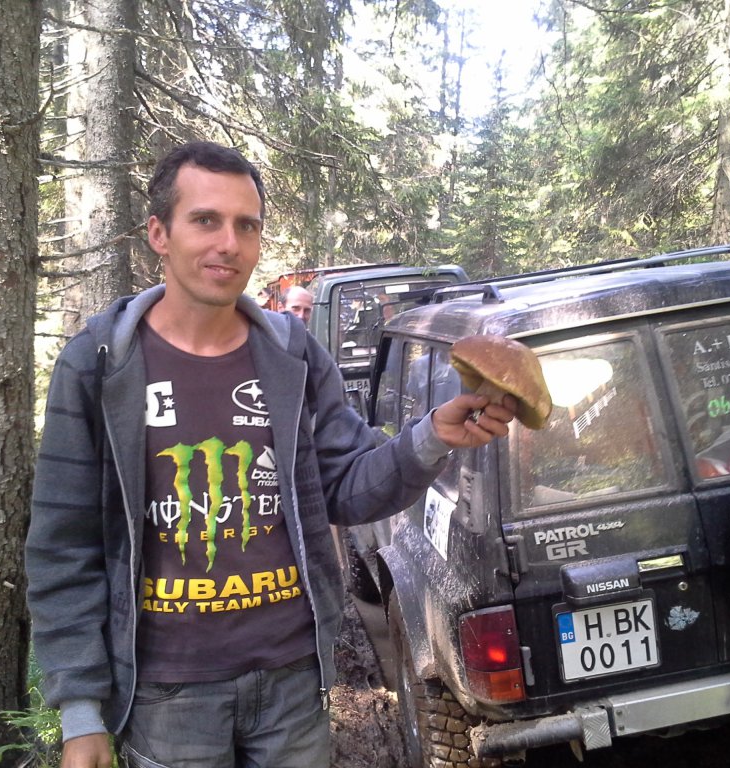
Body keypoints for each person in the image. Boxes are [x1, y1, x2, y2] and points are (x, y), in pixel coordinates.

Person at [25, 140, 515, 768]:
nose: (229, 243)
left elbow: (346, 486)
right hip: (166, 693)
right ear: (159, 234)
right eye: (206, 220)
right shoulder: (99, 365)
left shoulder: (291, 354)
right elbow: (63, 547)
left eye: (246, 225)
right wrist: (81, 711)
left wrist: (432, 437)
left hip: (292, 682)